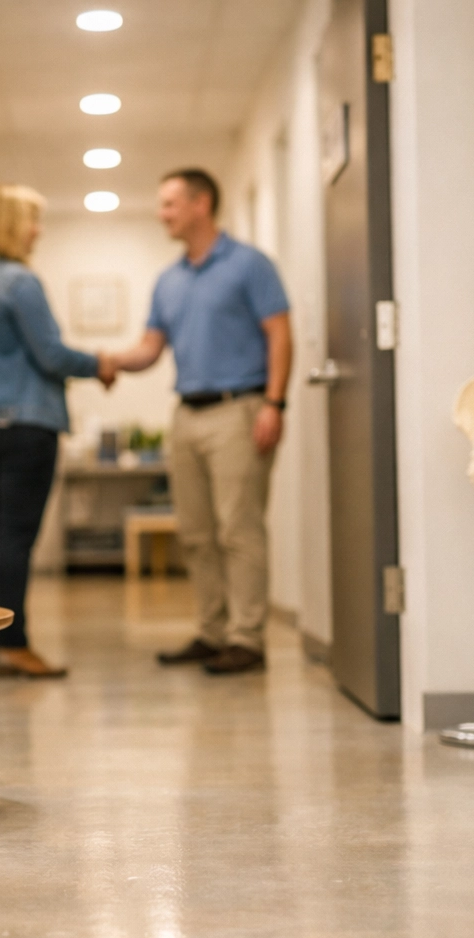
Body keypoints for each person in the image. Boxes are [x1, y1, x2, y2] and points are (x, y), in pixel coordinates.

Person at [104, 169, 292, 675]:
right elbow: (150, 348)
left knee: (238, 529)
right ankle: (212, 632)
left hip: (240, 409)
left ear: (201, 203)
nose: (162, 213)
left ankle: (246, 638)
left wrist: (275, 403)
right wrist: (105, 361)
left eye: (169, 203)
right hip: (186, 414)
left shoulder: (250, 266)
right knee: (195, 533)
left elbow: (279, 333)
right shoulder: (169, 280)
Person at [0, 184, 118, 678]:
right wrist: (101, 363)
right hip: (25, 423)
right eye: (31, 220)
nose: (37, 231)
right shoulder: (20, 281)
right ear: (8, 224)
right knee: (17, 538)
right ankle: (14, 645)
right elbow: (52, 355)